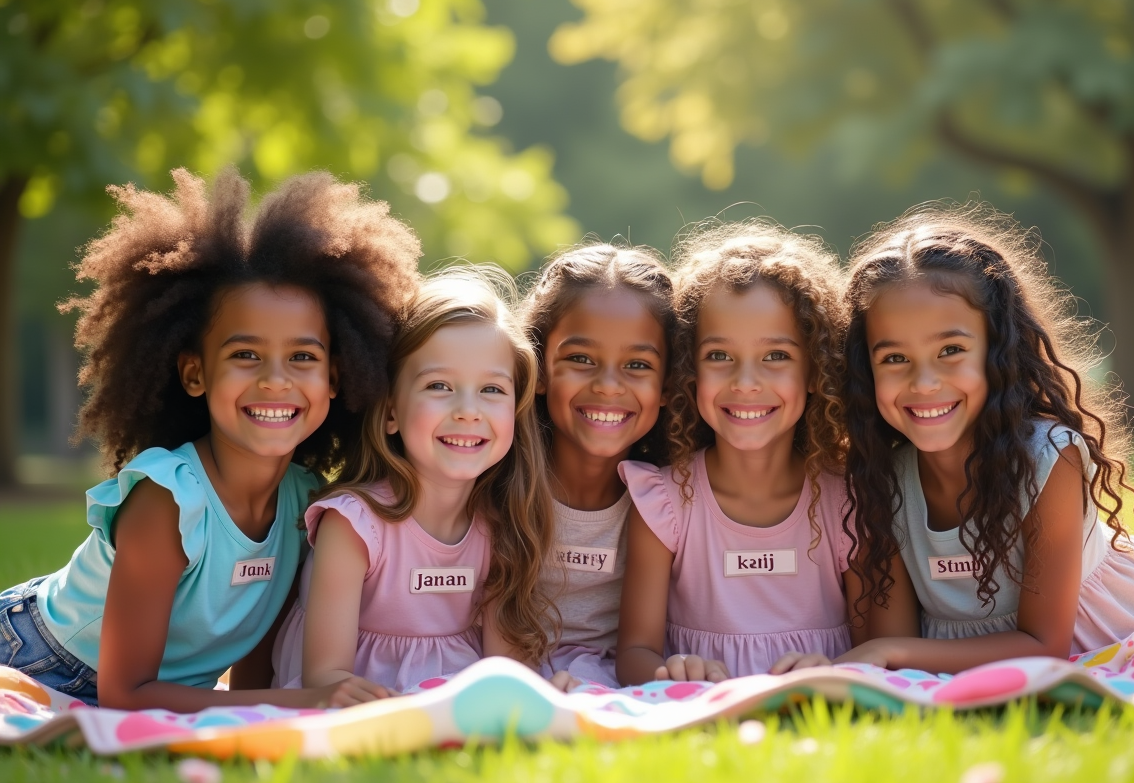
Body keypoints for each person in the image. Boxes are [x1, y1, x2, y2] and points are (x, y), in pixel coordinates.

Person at [0, 168, 421, 710]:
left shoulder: (306, 502)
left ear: (335, 379)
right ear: (195, 373)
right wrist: (304, 701)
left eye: (303, 356)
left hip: (145, 687)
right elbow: (125, 695)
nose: (276, 380)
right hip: (37, 654)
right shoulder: (168, 502)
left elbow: (255, 688)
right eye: (245, 354)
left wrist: (281, 705)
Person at [837, 202, 1134, 673]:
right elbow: (893, 650)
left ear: (1000, 351)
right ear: (865, 370)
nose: (923, 383)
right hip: (963, 662)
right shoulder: (881, 480)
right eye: (895, 359)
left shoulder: (1048, 457)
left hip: (1102, 642)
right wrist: (886, 653)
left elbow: (1044, 646)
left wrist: (889, 653)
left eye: (951, 350)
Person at [272, 269, 558, 699]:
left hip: (455, 706)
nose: (468, 410)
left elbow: (506, 673)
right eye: (439, 386)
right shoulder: (353, 525)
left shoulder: (500, 524)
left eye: (491, 389)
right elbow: (326, 680)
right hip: (366, 706)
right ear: (391, 411)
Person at [616, 219, 862, 685]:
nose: (746, 382)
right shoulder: (663, 502)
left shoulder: (849, 501)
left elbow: (885, 650)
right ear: (689, 369)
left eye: (776, 356)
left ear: (815, 370)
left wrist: (838, 671)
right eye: (719, 356)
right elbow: (633, 656)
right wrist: (674, 672)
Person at [522, 243, 673, 688]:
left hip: (621, 684)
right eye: (581, 359)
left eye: (637, 365)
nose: (608, 386)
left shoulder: (671, 500)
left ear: (668, 384)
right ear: (539, 368)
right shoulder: (497, 481)